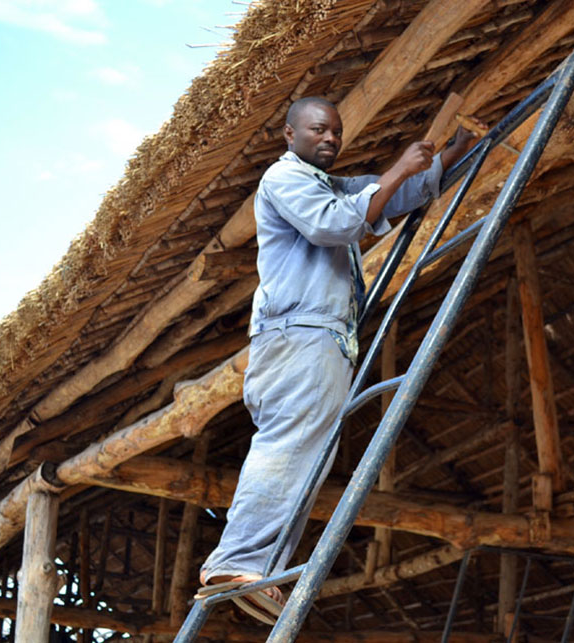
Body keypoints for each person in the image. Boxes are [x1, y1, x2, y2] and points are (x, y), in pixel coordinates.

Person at [197, 96, 476, 622]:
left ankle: (259, 570)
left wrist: (451, 153)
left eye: (336, 131)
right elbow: (333, 224)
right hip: (298, 335)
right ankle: (235, 561)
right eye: (318, 129)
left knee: (307, 457)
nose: (330, 138)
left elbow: (388, 199)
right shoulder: (284, 180)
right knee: (288, 445)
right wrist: (398, 168)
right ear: (289, 134)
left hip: (322, 339)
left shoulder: (332, 184)